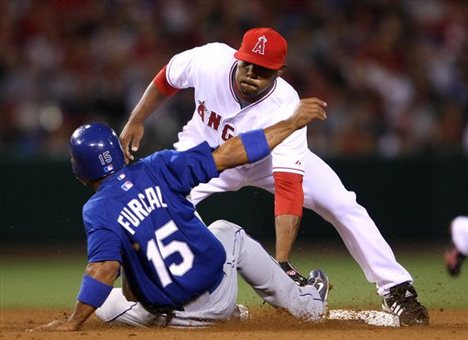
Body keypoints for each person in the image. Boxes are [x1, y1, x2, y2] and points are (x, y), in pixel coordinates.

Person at [119, 27, 429, 326]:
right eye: (247, 65)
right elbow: (167, 78)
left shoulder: (286, 104)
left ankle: (396, 287)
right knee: (156, 203)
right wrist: (136, 119)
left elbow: (288, 185)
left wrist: (280, 261)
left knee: (342, 203)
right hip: (205, 156)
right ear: (237, 57)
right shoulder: (210, 60)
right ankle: (187, 291)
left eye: (262, 70)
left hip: (266, 160)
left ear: (279, 73)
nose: (251, 75)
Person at [36, 99, 330, 331]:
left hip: (170, 318)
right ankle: (308, 307)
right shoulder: (158, 166)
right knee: (228, 231)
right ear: (119, 150)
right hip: (218, 296)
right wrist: (291, 123)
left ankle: (228, 317)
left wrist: (73, 322)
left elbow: (103, 270)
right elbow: (229, 154)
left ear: (80, 172)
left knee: (106, 302)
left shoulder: (97, 210)